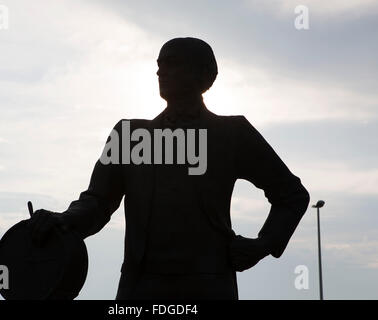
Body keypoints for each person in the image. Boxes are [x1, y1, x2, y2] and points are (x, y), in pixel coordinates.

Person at [29, 37, 311, 300]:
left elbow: (292, 195)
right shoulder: (129, 134)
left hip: (209, 286)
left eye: (172, 64)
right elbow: (98, 202)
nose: (160, 72)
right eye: (159, 65)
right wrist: (63, 219)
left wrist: (262, 244)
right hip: (140, 287)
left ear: (204, 75)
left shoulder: (232, 134)